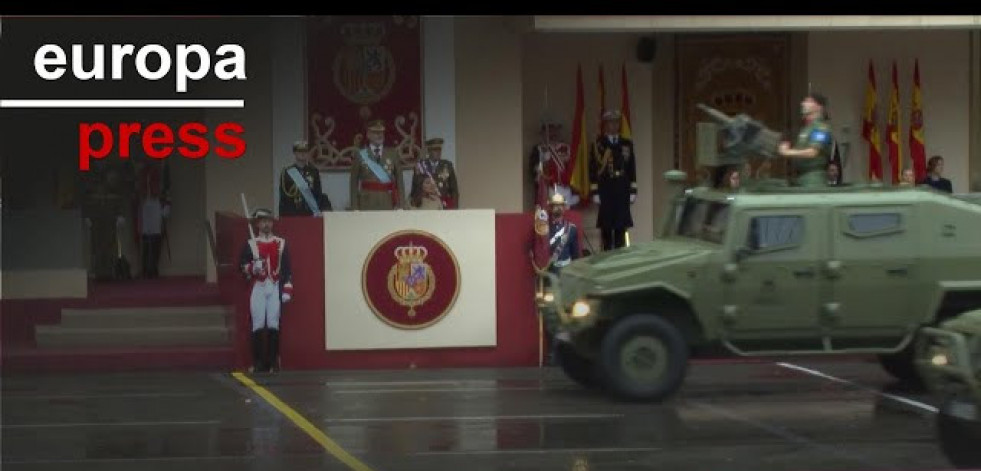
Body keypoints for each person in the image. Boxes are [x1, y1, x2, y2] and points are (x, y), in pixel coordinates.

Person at [239, 208, 293, 373]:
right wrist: (252, 268)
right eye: (263, 221)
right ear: (257, 224)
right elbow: (241, 267)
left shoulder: (281, 243)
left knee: (273, 324)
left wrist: (287, 289)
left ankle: (272, 362)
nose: (266, 224)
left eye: (269, 220)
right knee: (257, 324)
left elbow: (286, 269)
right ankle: (257, 363)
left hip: (274, 286)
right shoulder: (250, 244)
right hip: (258, 287)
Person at [589, 110, 636, 251]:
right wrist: (595, 191)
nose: (614, 125)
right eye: (610, 122)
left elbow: (632, 167)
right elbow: (593, 168)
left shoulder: (626, 143)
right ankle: (607, 259)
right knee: (607, 229)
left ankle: (620, 261)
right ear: (605, 125)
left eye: (616, 122)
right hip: (606, 189)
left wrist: (633, 190)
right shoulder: (599, 144)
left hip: (622, 188)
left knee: (621, 228)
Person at [778, 92, 834, 188]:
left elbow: (813, 152)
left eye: (809, 101)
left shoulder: (820, 128)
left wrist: (788, 152)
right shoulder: (807, 128)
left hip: (813, 179)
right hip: (801, 178)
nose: (803, 104)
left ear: (818, 107)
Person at [349, 119, 406, 210]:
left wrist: (401, 205)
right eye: (375, 132)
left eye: (381, 132)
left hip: (387, 202)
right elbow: (353, 183)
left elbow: (399, 180)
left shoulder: (393, 154)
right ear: (368, 135)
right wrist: (355, 207)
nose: (379, 135)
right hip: (366, 203)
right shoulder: (360, 155)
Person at [529, 120, 577, 206]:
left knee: (567, 214)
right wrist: (543, 162)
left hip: (565, 186)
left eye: (554, 130)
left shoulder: (565, 148)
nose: (552, 133)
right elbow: (534, 169)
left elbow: (573, 167)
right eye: (549, 131)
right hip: (549, 187)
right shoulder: (539, 149)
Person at [136, 159, 170, 278]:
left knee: (156, 236)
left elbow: (166, 188)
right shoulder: (142, 170)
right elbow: (139, 187)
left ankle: (154, 267)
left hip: (157, 203)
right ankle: (145, 267)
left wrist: (166, 205)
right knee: (145, 236)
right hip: (145, 203)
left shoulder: (162, 168)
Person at [279, 140, 331, 216]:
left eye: (305, 151)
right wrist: (282, 215)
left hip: (310, 211)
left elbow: (318, 192)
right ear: (295, 153)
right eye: (299, 151)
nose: (302, 154)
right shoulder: (287, 172)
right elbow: (283, 197)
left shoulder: (314, 171)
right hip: (293, 212)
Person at [410, 138, 459, 209]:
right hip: (426, 205)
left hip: (444, 206)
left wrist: (454, 208)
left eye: (439, 149)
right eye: (435, 150)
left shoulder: (447, 165)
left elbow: (454, 190)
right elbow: (414, 189)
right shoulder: (421, 166)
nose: (438, 152)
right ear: (429, 151)